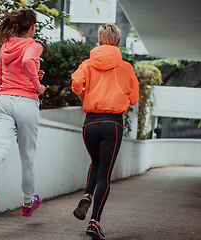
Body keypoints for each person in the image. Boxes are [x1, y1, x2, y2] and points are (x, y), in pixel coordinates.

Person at [71, 23, 139, 239]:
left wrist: (86, 96)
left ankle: (88, 194)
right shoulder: (126, 68)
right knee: (105, 175)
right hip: (113, 124)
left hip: (89, 123)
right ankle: (94, 222)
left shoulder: (87, 64)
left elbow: (75, 84)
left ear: (99, 40)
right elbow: (134, 99)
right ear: (118, 42)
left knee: (96, 162)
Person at [0, 9, 45, 217]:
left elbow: (0, 79)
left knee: (0, 144)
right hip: (25, 101)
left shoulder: (6, 45)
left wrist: (32, 73)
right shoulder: (34, 45)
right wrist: (38, 86)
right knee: (27, 155)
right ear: (32, 27)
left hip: (3, 100)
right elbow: (25, 62)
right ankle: (27, 202)